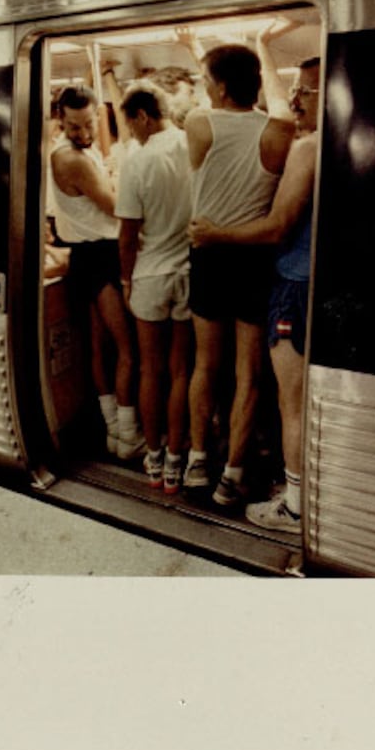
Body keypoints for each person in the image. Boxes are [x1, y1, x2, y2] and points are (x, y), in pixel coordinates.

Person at [188, 56, 321, 531]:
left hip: (213, 248)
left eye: (206, 81)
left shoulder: (197, 123)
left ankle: (197, 461)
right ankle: (233, 475)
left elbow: (277, 222)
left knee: (206, 364)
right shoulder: (282, 135)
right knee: (250, 376)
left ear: (220, 87)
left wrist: (214, 231)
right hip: (253, 265)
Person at [50, 84, 144, 459]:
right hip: (102, 258)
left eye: (89, 123)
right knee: (126, 349)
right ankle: (127, 432)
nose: (84, 134)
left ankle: (113, 431)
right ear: (61, 120)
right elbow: (116, 206)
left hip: (84, 258)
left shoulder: (76, 152)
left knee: (99, 347)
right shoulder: (71, 159)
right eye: (75, 126)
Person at [115, 81, 193, 493]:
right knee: (182, 371)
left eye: (130, 126)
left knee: (150, 369)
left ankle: (154, 458)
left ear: (142, 116)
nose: (131, 134)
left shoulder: (138, 161)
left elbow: (127, 235)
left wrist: (126, 280)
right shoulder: (193, 144)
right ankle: (177, 460)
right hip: (189, 272)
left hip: (150, 274)